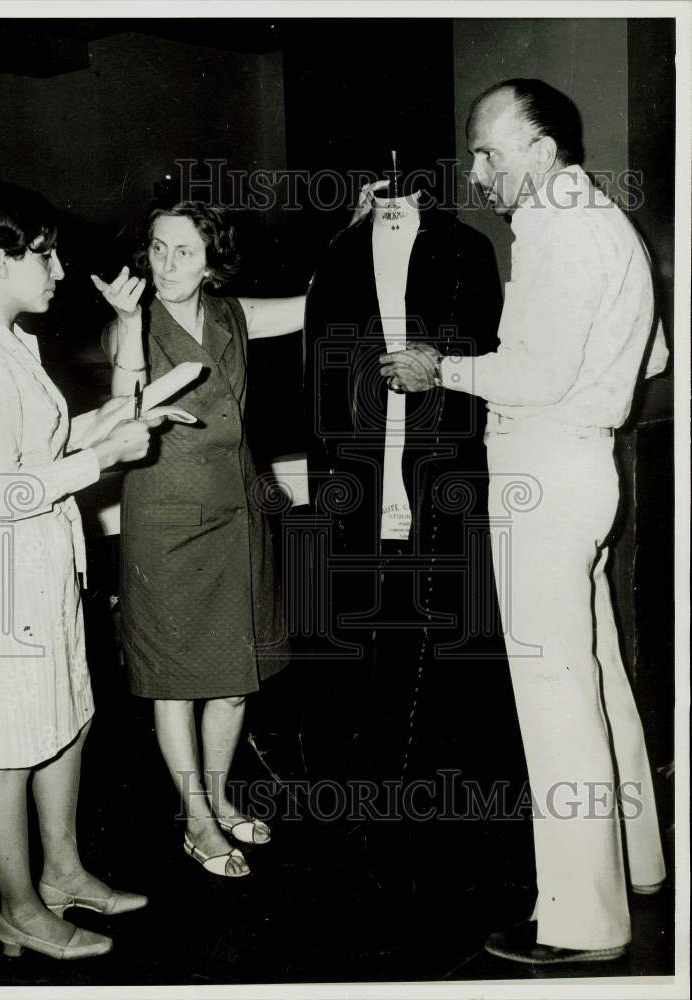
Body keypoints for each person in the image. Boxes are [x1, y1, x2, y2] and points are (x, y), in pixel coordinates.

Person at [388, 79, 668, 964]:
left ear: (543, 153)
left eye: (488, 152)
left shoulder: (558, 229)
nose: (474, 171)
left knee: (554, 703)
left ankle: (583, 923)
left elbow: (534, 375)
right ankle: (641, 865)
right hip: (582, 465)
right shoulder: (603, 224)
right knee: (595, 678)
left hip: (545, 471)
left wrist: (441, 368)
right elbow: (656, 350)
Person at [0, 178, 177, 960]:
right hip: (3, 583)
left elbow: (27, 449)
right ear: (2, 260)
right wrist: (98, 458)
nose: (59, 270)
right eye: (44, 256)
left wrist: (99, 422)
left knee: (65, 723)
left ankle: (63, 873)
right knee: (7, 751)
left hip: (43, 565)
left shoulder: (7, 341)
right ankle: (17, 910)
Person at [300, 164, 528, 894]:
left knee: (447, 643)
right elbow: (316, 378)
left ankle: (447, 820)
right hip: (361, 483)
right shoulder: (339, 255)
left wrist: (439, 368)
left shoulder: (467, 250)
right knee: (363, 642)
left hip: (443, 478)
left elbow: (496, 355)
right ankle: (363, 814)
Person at [95, 202, 305, 877]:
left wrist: (358, 230)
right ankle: (195, 822)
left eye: (184, 251)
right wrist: (128, 324)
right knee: (175, 683)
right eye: (157, 248)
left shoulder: (230, 316)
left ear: (212, 261)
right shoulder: (131, 325)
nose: (167, 264)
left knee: (234, 680)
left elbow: (315, 300)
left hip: (236, 510)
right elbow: (123, 413)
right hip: (165, 519)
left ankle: (216, 799)